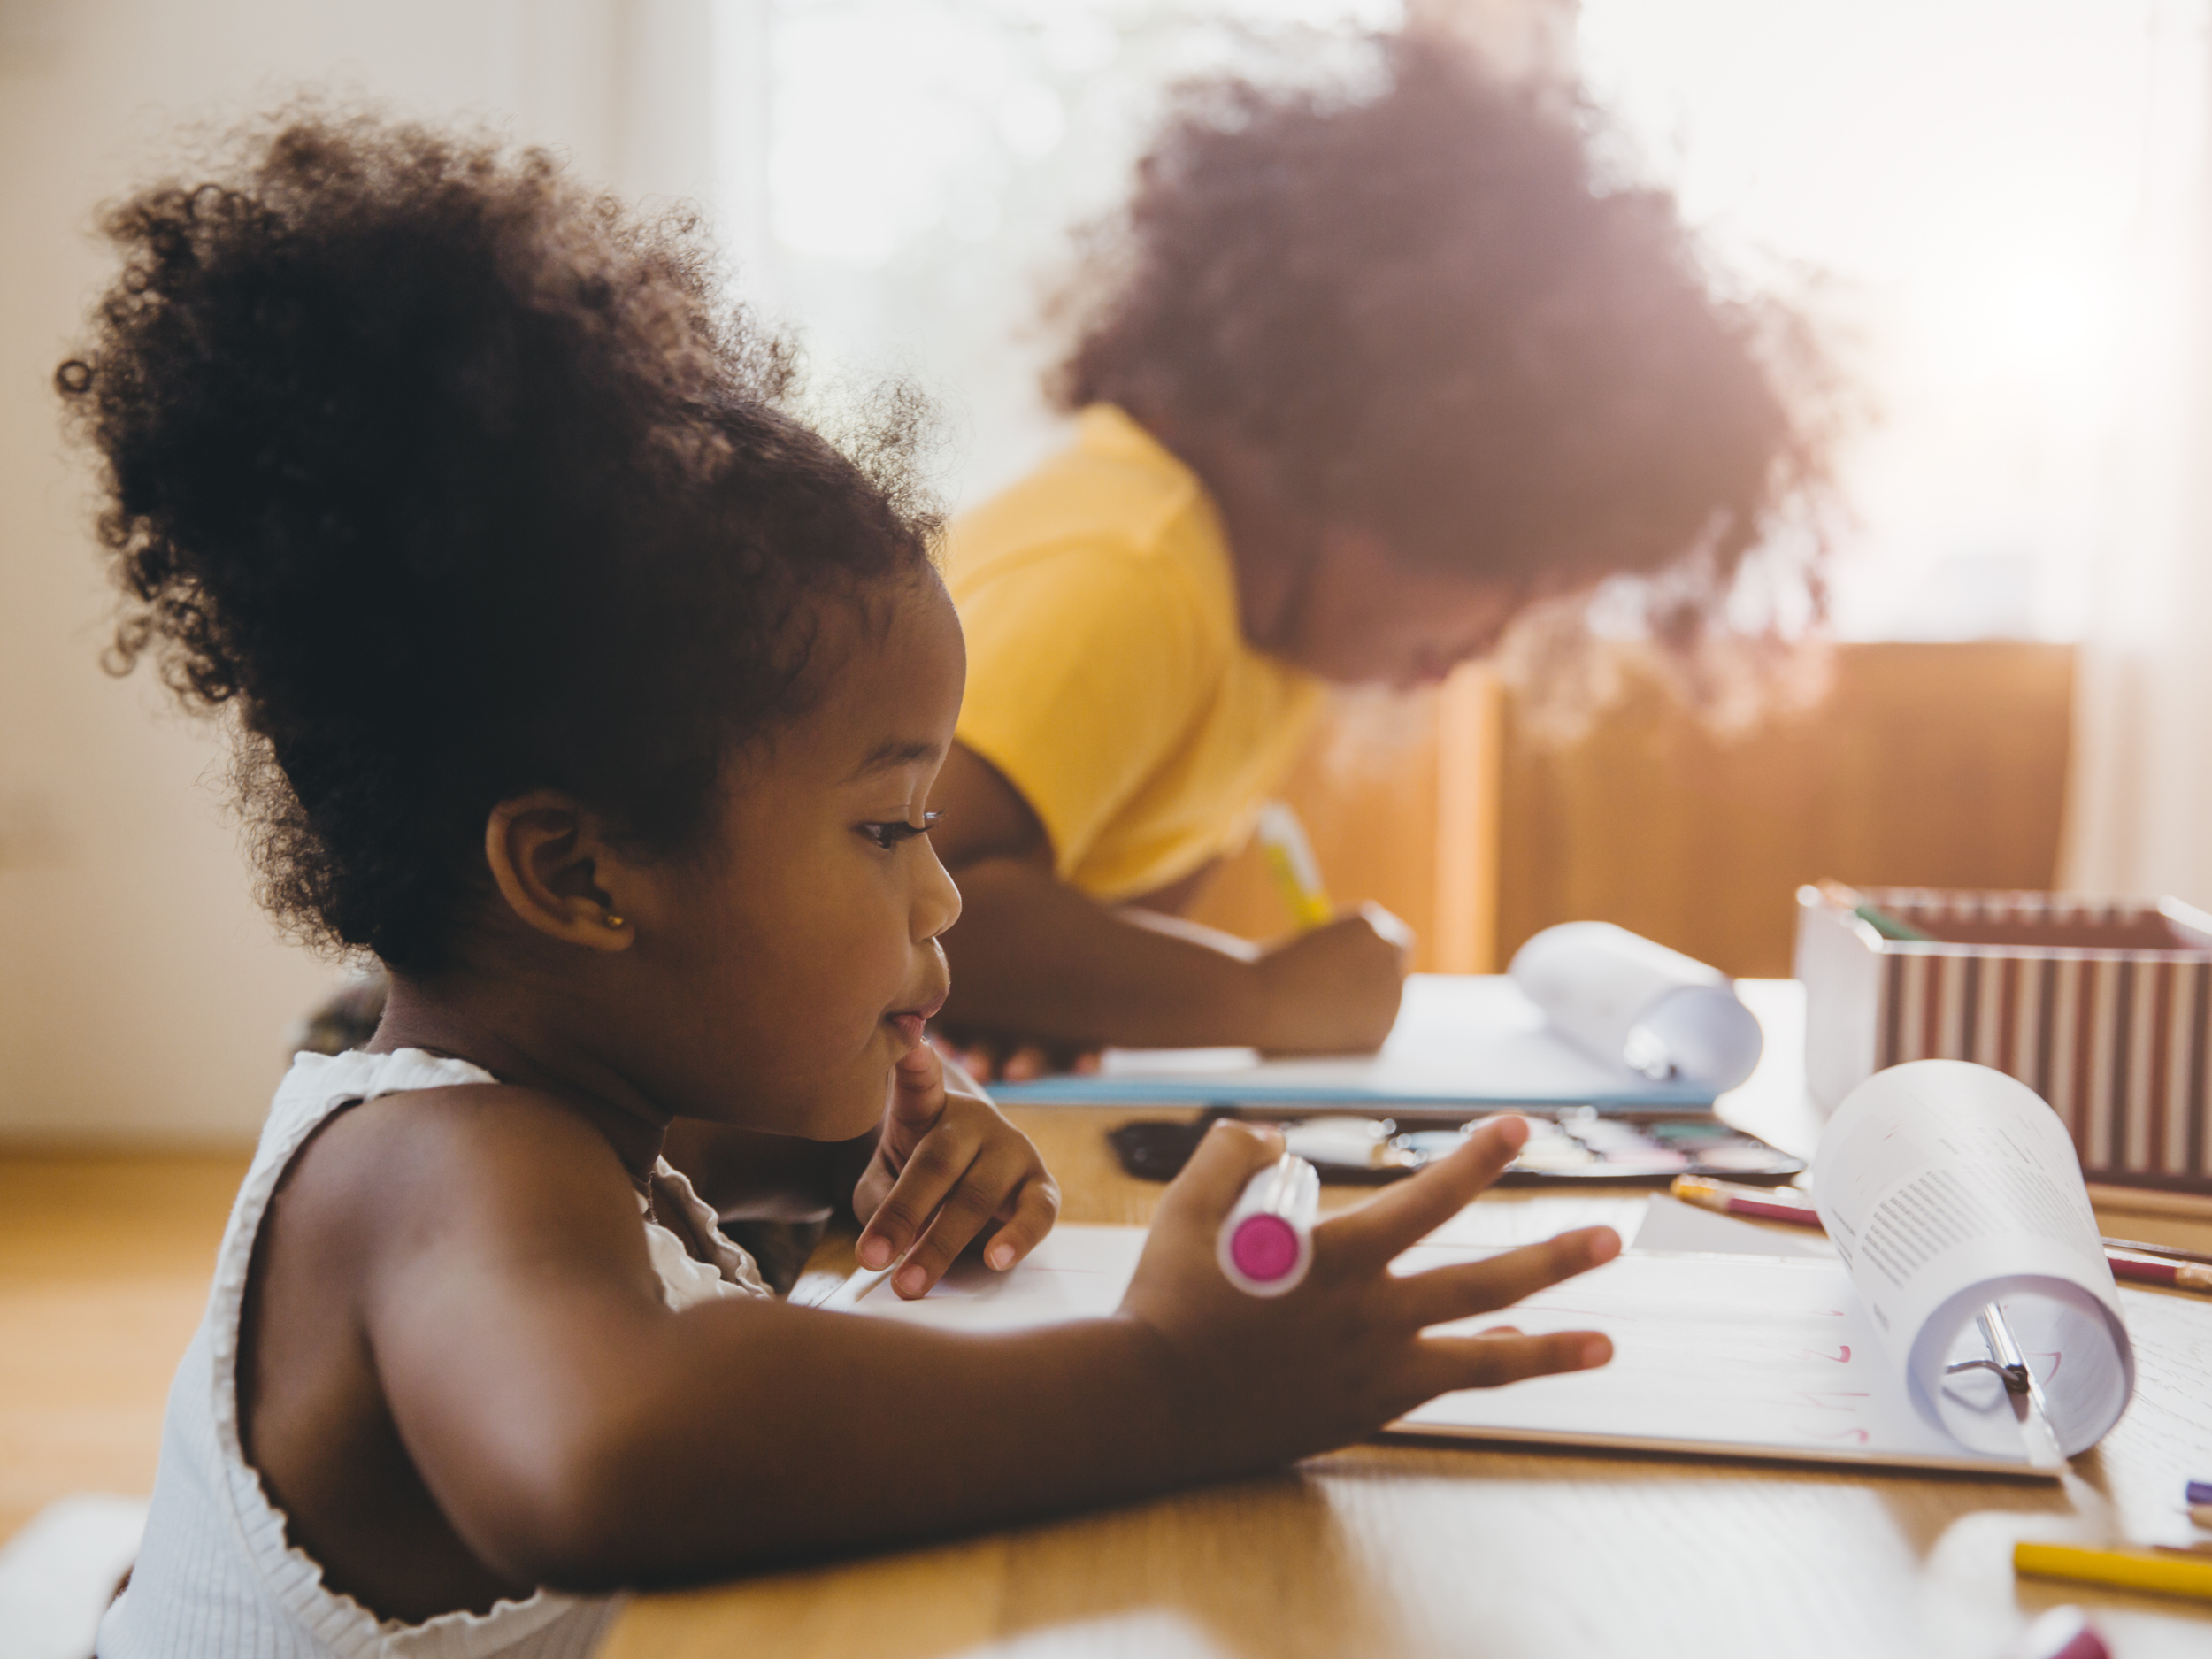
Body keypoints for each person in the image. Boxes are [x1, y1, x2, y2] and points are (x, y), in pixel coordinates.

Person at [64, 108, 1620, 1655]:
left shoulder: (558, 1137)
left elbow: (644, 1314)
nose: (946, 896)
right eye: (888, 829)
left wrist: (842, 1179)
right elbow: (604, 1451)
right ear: (578, 875)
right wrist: (1175, 1384)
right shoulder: (436, 1171)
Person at [931, 30, 1824, 1078]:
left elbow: (1043, 957)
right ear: (1402, 462)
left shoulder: (1265, 642)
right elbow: (910, 900)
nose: (1491, 643)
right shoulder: (1134, 574)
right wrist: (1264, 998)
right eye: (1510, 582)